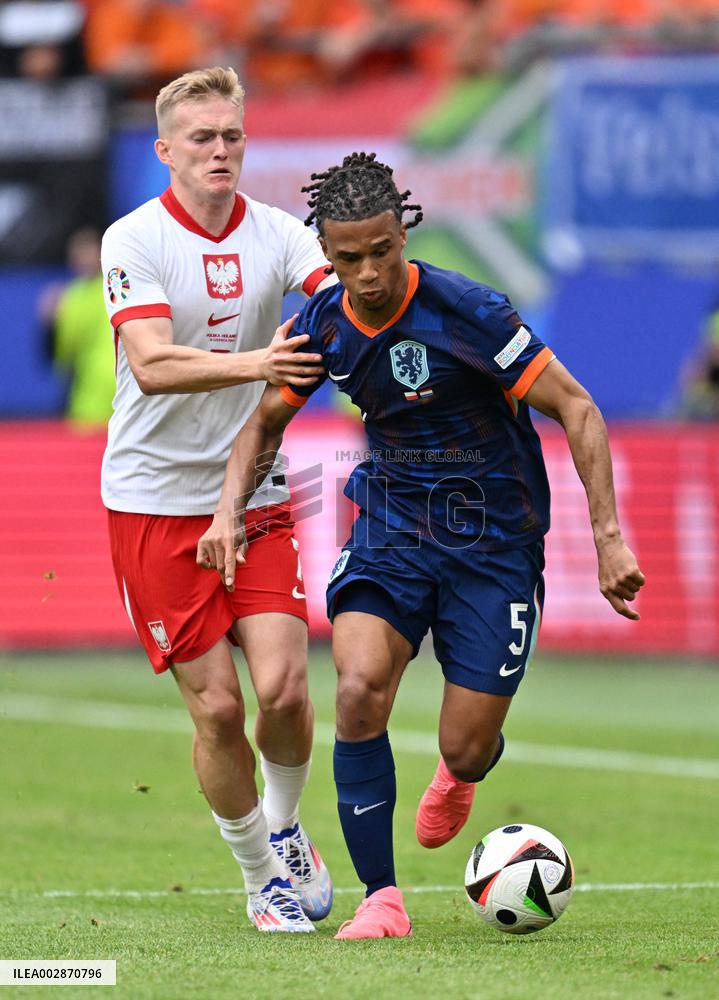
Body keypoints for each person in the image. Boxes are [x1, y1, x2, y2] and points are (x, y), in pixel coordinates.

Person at [196, 151, 645, 939]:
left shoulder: (469, 311)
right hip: (393, 530)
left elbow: (576, 408)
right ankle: (381, 898)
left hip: (493, 543)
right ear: (325, 253)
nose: (366, 274)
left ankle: (462, 773)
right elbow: (263, 424)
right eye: (346, 259)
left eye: (380, 252)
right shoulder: (322, 324)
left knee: (466, 747)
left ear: (402, 232)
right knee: (359, 688)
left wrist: (607, 537)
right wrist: (230, 511)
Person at [100, 67, 336, 933]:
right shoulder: (133, 239)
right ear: (166, 151)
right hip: (153, 502)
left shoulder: (279, 233)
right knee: (220, 706)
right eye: (201, 138)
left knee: (281, 688)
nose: (220, 150)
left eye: (232, 135)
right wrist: (260, 364)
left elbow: (340, 303)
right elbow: (154, 365)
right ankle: (258, 880)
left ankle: (284, 829)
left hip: (256, 486)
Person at [47, 227, 116, 429]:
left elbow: (60, 355)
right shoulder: (73, 297)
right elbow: (61, 355)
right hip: (92, 405)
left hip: (110, 401)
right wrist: (51, 324)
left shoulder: (73, 297)